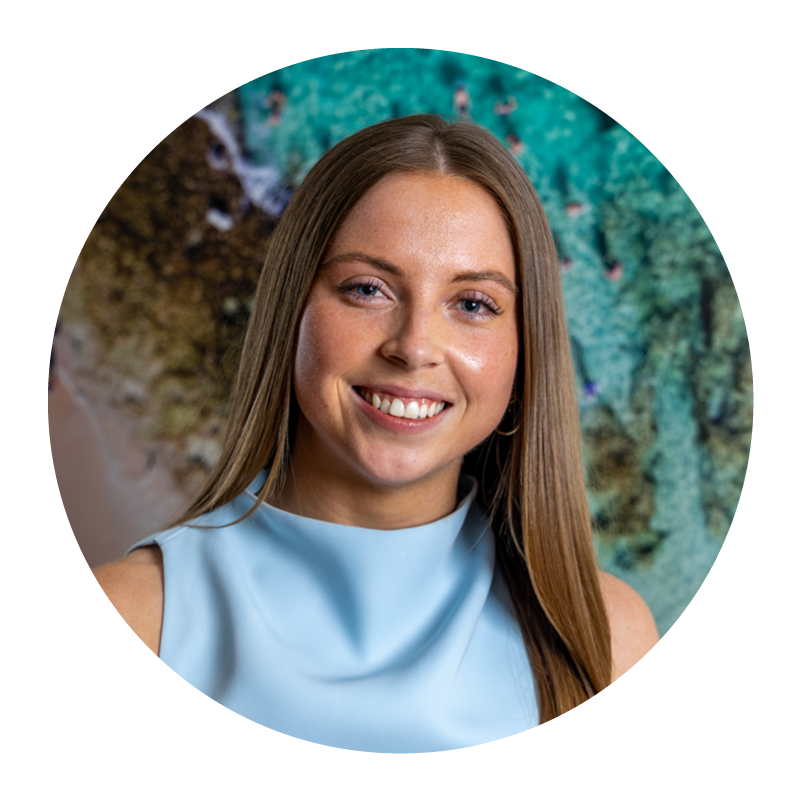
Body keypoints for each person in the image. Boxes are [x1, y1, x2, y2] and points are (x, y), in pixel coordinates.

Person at [92, 114, 661, 747]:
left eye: (473, 304)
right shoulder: (134, 618)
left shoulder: (611, 636)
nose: (415, 347)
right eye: (368, 289)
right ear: (293, 311)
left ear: (525, 350)